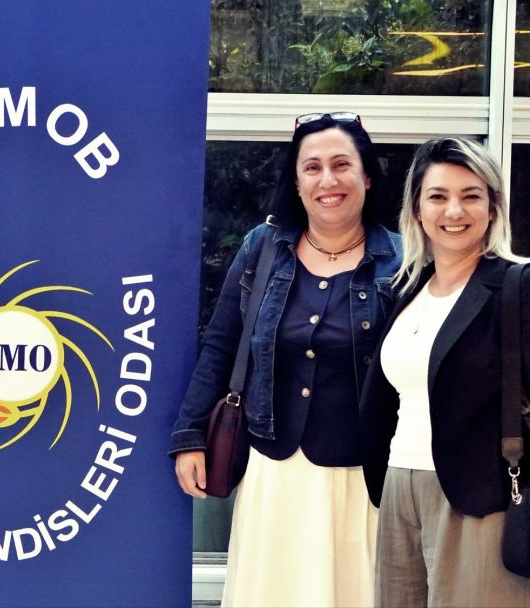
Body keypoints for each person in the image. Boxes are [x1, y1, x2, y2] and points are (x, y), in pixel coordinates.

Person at [169, 112, 402, 606]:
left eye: (342, 164)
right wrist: (189, 435)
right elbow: (221, 344)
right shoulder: (263, 248)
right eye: (312, 167)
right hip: (273, 473)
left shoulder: (401, 262)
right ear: (296, 183)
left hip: (362, 481)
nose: (327, 180)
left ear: (366, 175)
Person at [359, 137, 530, 606]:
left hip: (481, 496)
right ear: (417, 209)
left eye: (471, 196)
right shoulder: (406, 288)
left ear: (493, 208)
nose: (454, 211)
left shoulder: (517, 286)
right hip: (399, 484)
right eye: (438, 196)